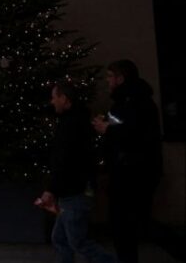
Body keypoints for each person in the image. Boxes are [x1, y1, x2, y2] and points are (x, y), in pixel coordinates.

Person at [93, 60, 184, 263]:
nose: (107, 81)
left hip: (133, 171)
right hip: (128, 170)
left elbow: (133, 134)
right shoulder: (127, 102)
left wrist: (107, 129)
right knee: (127, 224)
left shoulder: (135, 102)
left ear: (120, 78)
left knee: (133, 223)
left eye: (110, 76)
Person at [35, 82, 116, 263]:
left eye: (54, 97)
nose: (52, 101)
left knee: (78, 242)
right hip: (71, 191)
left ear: (64, 99)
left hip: (74, 191)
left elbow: (64, 161)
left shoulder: (71, 125)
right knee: (60, 238)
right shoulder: (74, 120)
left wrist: (51, 189)